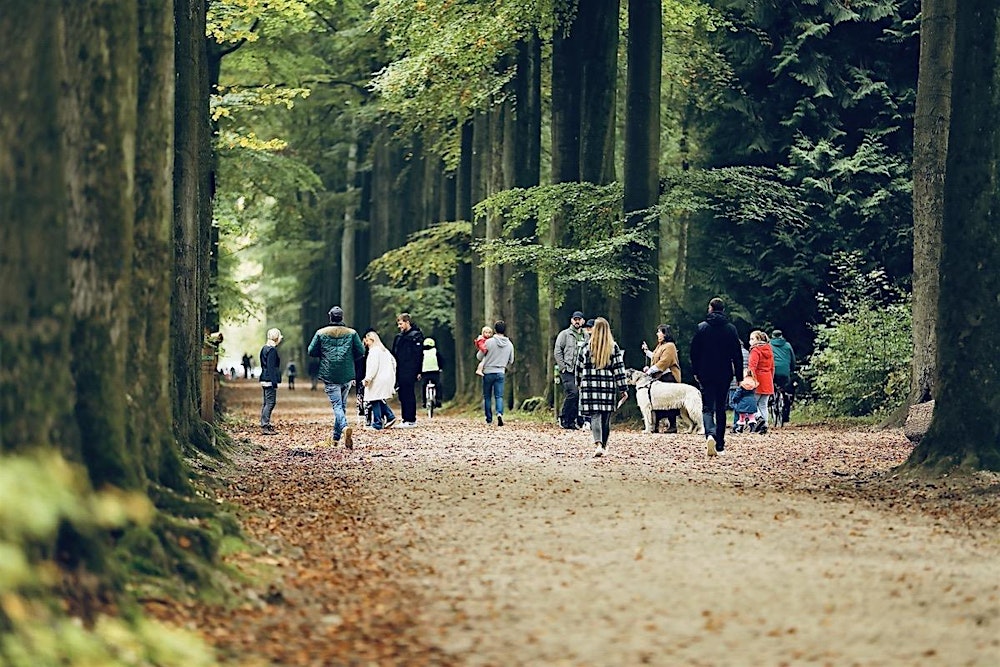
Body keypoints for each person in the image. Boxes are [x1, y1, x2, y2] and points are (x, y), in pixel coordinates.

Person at [690, 297, 744, 457]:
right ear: (723, 310)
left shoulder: (702, 328)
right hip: (724, 373)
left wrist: (696, 371)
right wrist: (739, 375)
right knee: (721, 407)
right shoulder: (731, 329)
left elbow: (694, 352)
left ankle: (710, 434)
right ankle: (720, 443)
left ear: (711, 309)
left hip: (706, 373)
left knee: (707, 408)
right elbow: (737, 354)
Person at [308, 306, 365, 449]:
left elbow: (311, 351)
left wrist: (323, 354)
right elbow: (361, 351)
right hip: (347, 374)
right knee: (342, 406)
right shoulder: (352, 333)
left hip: (330, 374)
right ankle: (335, 439)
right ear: (342, 317)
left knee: (337, 406)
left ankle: (344, 427)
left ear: (330, 317)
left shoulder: (321, 333)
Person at [575, 317, 628, 458]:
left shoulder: (586, 347)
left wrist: (579, 382)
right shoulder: (613, 347)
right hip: (607, 387)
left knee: (595, 416)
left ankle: (598, 444)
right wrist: (623, 388)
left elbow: (578, 367)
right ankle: (603, 445)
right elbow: (619, 369)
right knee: (606, 417)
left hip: (589, 386)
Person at [641, 324, 682, 433]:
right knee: (657, 401)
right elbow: (656, 357)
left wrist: (649, 371)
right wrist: (647, 352)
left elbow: (664, 362)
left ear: (665, 333)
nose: (657, 334)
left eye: (659, 332)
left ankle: (673, 425)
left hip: (668, 377)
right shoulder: (660, 346)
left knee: (670, 401)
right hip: (659, 377)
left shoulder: (670, 346)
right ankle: (655, 425)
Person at [477, 320, 514, 426]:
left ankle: (489, 419)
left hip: (488, 372)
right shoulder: (509, 344)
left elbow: (479, 356)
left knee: (487, 396)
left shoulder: (488, 342)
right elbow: (511, 360)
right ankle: (499, 413)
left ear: (494, 330)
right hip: (500, 372)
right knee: (499, 396)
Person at [554, 310, 587, 429]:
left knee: (579, 395)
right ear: (572, 320)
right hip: (568, 370)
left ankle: (571, 420)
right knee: (573, 393)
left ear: (583, 321)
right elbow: (558, 351)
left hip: (581, 370)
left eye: (579, 319)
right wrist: (562, 367)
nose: (577, 321)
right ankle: (563, 417)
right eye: (575, 319)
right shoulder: (564, 334)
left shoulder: (586, 335)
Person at [392, 313, 424, 427]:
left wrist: (419, 371)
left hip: (410, 369)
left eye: (401, 323)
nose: (399, 326)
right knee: (402, 393)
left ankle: (411, 419)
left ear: (407, 322)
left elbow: (419, 355)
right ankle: (405, 418)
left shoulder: (416, 336)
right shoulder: (399, 337)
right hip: (400, 369)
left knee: (409, 393)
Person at [362, 330, 397, 430]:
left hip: (377, 378)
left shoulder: (374, 351)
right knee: (378, 398)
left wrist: (368, 378)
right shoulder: (385, 350)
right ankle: (390, 416)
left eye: (367, 340)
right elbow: (394, 363)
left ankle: (377, 423)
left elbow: (373, 366)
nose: (366, 343)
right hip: (387, 378)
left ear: (372, 340)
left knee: (374, 399)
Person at [748, 329, 775, 434]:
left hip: (758, 379)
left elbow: (752, 367)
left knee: (752, 402)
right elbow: (772, 367)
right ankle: (765, 425)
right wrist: (770, 379)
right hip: (767, 379)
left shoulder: (755, 350)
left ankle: (759, 418)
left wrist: (751, 379)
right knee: (763, 404)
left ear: (758, 339)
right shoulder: (769, 350)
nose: (750, 341)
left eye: (752, 338)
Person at [259, 328, 283, 435]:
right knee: (270, 403)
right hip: (269, 379)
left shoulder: (264, 348)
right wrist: (274, 382)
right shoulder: (272, 350)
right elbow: (271, 367)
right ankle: (265, 425)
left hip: (264, 378)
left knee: (266, 403)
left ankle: (266, 424)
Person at [770, 329, 796, 422]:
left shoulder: (769, 345)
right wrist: (792, 369)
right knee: (786, 390)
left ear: (772, 336)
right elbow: (793, 360)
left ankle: (771, 399)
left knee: (772, 386)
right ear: (781, 336)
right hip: (785, 372)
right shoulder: (788, 345)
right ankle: (785, 414)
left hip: (772, 371)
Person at [729, 340, 751, 431]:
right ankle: (738, 423)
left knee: (733, 402)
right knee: (740, 401)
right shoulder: (748, 353)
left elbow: (732, 368)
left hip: (734, 381)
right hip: (746, 381)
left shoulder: (732, 354)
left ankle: (739, 422)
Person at [421, 337, 444, 408]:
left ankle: (424, 402)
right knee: (438, 385)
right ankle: (438, 400)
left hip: (425, 372)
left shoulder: (422, 353)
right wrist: (441, 368)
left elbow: (419, 362)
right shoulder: (435, 352)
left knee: (424, 386)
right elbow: (441, 361)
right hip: (435, 371)